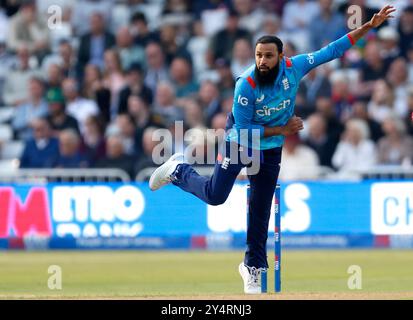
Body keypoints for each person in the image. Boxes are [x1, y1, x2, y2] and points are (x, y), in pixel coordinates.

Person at [149, 5, 396, 294]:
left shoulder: (296, 67)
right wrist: (282, 129)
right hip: (239, 142)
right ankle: (178, 170)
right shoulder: (247, 84)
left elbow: (333, 50)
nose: (262, 61)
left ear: (281, 56)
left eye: (268, 55)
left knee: (260, 208)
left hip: (270, 149)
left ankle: (252, 266)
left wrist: (368, 26)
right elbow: (241, 130)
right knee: (216, 195)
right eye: (258, 55)